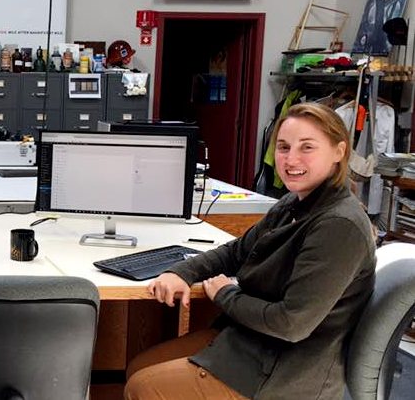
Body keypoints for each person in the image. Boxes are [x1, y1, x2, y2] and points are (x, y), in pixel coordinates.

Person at [125, 102, 376, 399]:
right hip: (252, 341)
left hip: (285, 370)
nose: (290, 159)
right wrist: (181, 271)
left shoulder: (339, 225)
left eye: (306, 147)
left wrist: (225, 295)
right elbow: (236, 252)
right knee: (139, 367)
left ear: (339, 152)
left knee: (145, 388)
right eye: (283, 147)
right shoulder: (292, 204)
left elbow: (291, 323)